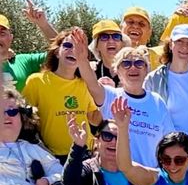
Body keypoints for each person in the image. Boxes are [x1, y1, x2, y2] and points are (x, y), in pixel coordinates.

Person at [74, 31, 174, 167]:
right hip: (115, 174)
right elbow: (91, 82)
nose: (133, 67)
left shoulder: (157, 102)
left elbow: (168, 142)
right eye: (126, 64)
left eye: (139, 63)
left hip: (148, 175)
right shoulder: (110, 95)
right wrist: (82, 60)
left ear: (146, 70)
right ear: (117, 71)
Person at [22, 30, 99, 158]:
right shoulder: (36, 81)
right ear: (57, 52)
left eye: (78, 47)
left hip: (87, 152)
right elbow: (25, 118)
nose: (73, 50)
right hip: (53, 157)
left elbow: (94, 119)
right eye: (67, 45)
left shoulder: (85, 83)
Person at [1, 11, 46, 92]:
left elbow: (60, 54)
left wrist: (44, 24)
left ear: (11, 37)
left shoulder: (23, 62)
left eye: (2, 34)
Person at [87, 20, 129, 84]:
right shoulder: (90, 72)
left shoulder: (134, 67)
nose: (111, 41)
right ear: (96, 46)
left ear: (122, 44)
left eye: (116, 36)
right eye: (104, 37)